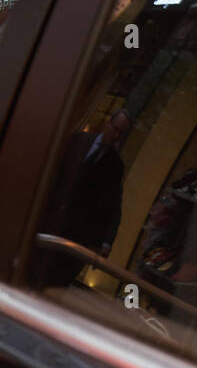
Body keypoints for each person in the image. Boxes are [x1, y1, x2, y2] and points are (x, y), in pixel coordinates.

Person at [40, 109, 131, 286]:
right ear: (108, 124)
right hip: (50, 218)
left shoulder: (115, 166)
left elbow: (111, 205)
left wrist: (103, 242)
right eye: (115, 129)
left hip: (76, 233)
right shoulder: (77, 141)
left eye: (120, 133)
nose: (115, 135)